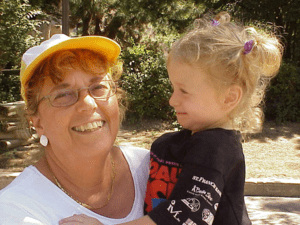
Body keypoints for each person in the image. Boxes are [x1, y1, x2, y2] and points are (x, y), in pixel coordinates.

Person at [59, 11, 283, 225]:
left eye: (184, 91)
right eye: (173, 88)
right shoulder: (187, 142)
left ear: (229, 97)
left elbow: (184, 217)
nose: (172, 100)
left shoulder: (216, 149)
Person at [0, 34, 150, 224]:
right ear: (37, 122)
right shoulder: (15, 211)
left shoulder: (154, 168)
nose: (87, 103)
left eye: (98, 87)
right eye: (63, 94)